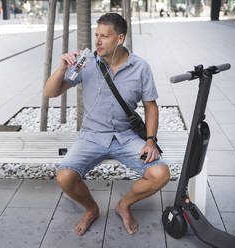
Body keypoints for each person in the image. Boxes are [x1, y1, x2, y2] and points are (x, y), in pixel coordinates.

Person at [44, 13, 170, 236]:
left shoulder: (140, 67)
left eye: (104, 36)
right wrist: (62, 67)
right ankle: (91, 209)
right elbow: (50, 93)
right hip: (91, 136)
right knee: (65, 177)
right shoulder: (86, 62)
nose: (97, 41)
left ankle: (124, 205)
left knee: (160, 174)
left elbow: (151, 107)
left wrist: (150, 141)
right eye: (96, 35)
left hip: (126, 137)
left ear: (120, 38)